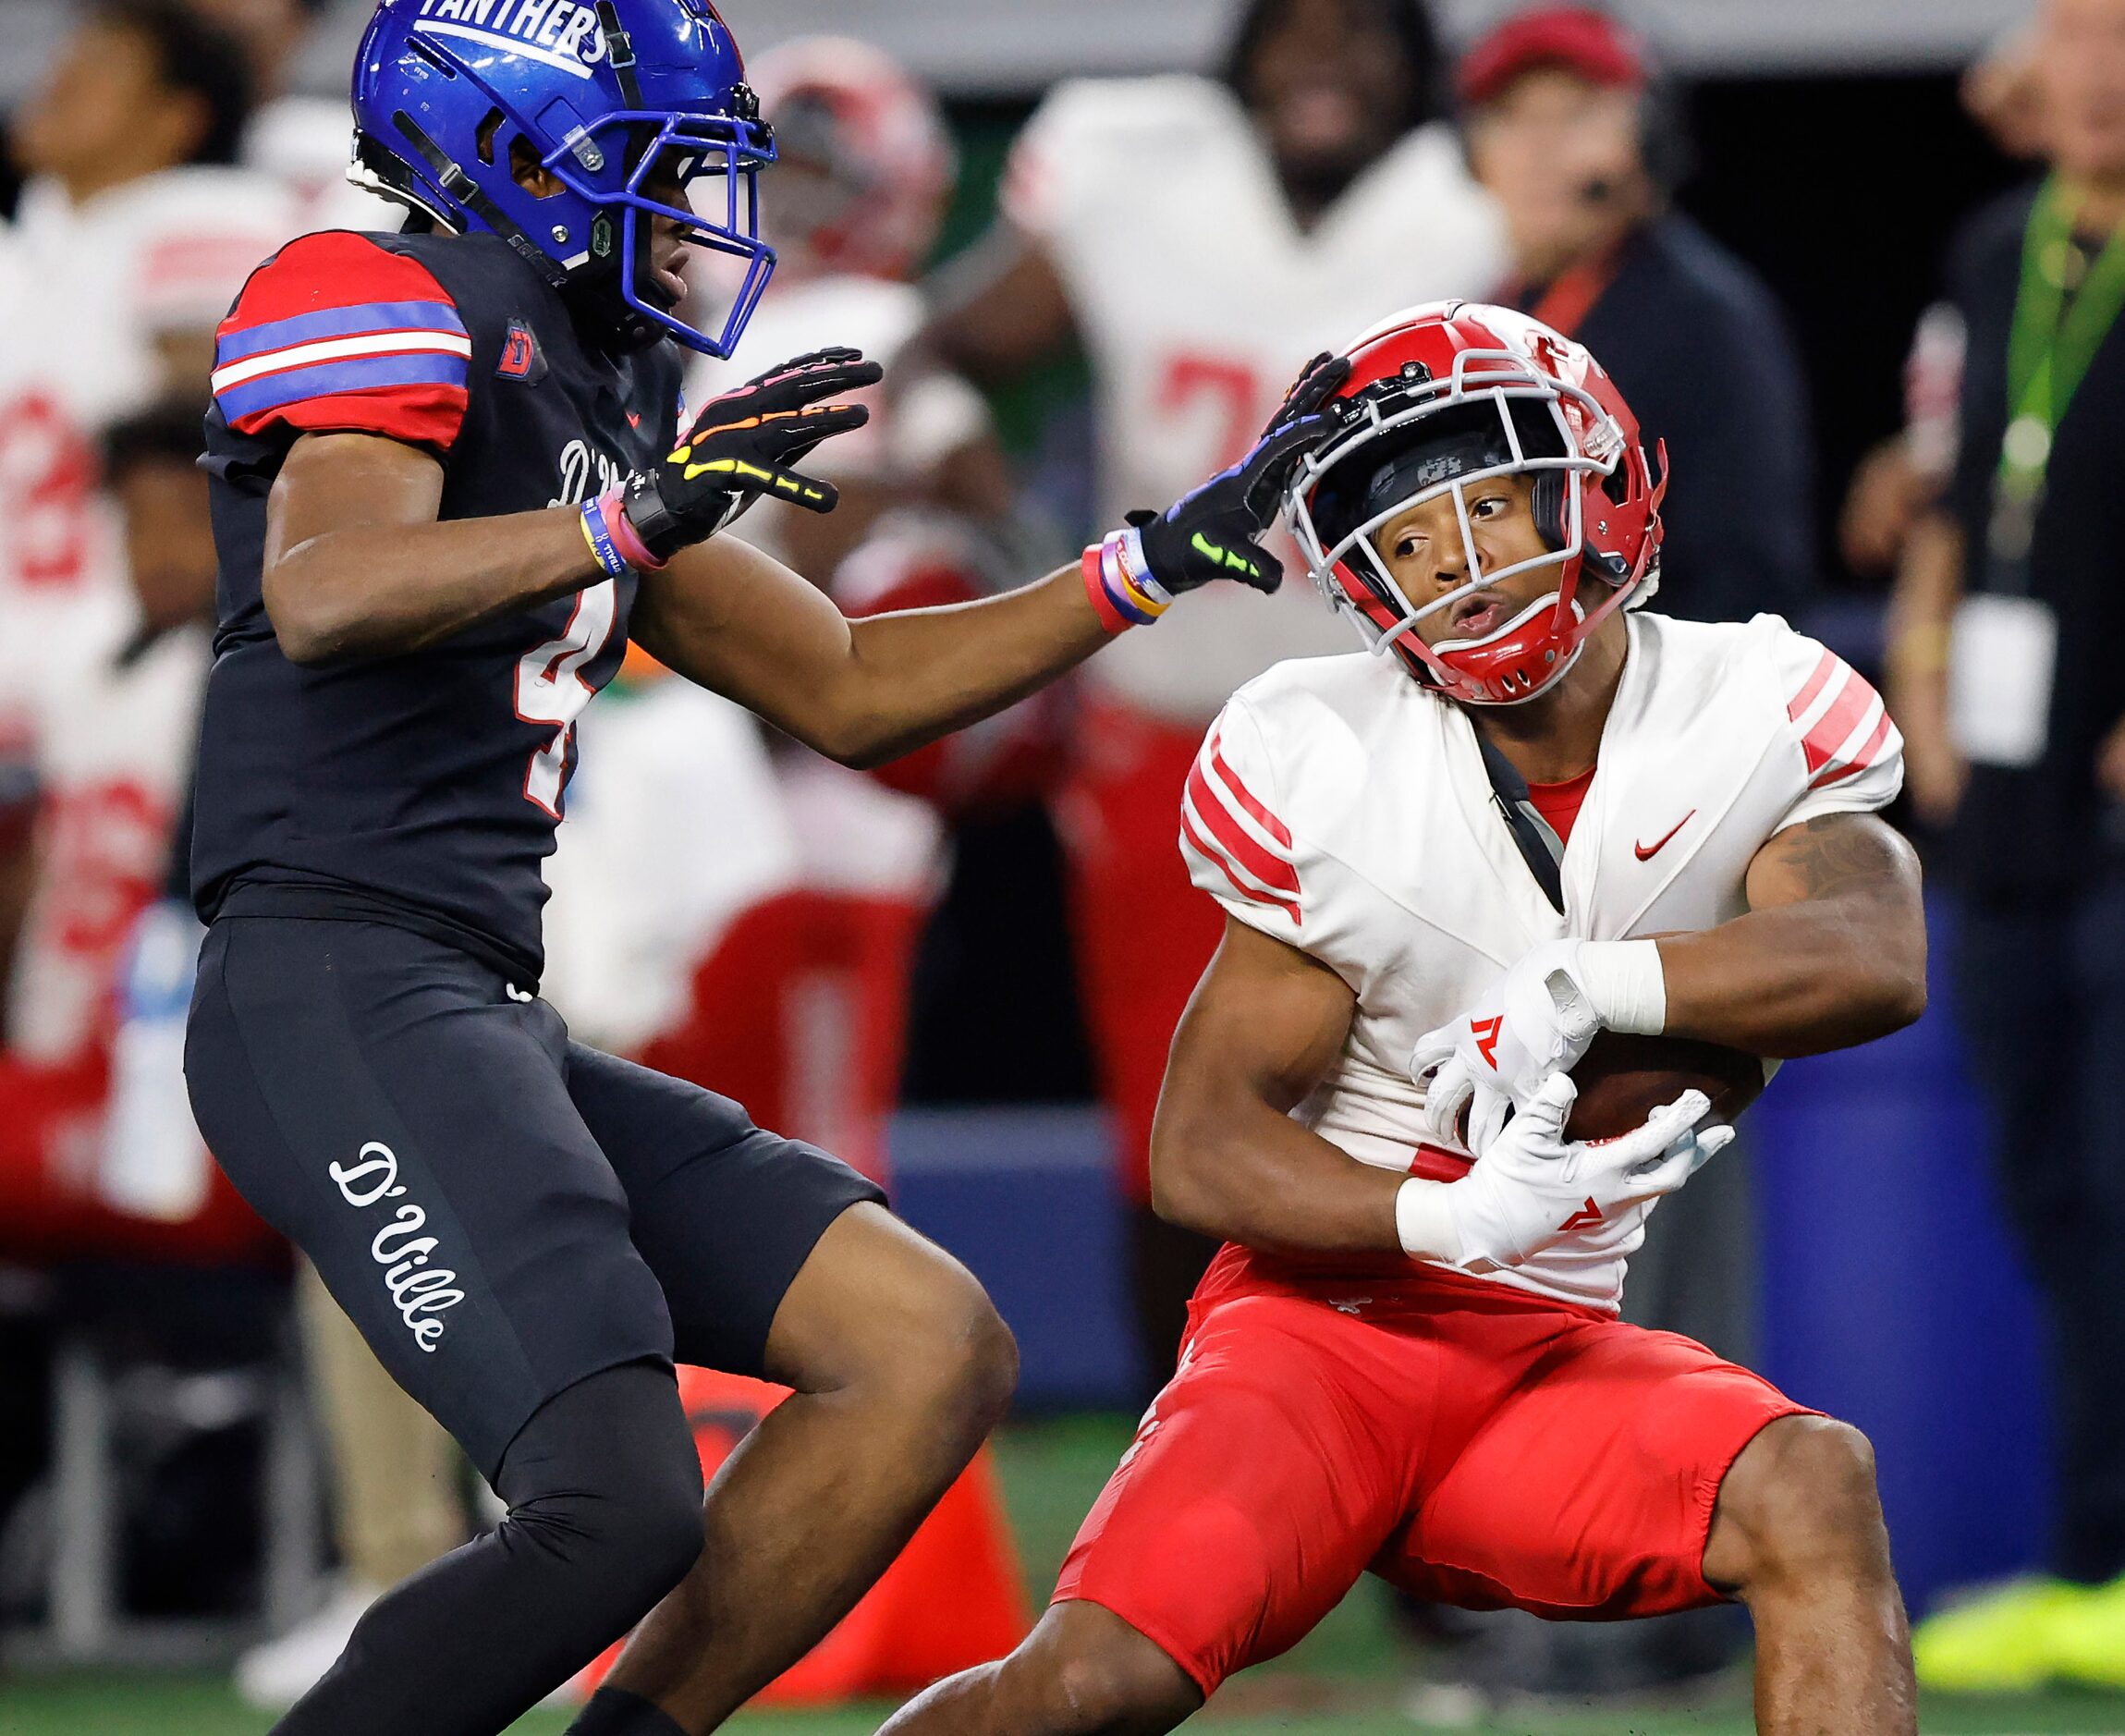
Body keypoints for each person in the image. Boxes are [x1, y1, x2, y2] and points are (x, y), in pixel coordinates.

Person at [178, 5, 1348, 1734]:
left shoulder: (578, 381)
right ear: (518, 152)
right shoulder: (374, 286)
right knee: (613, 1499)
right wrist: (624, 523)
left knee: (919, 1345)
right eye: (661, 170)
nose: (702, 216)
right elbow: (331, 587)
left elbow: (850, 685)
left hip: (467, 996)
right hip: (331, 973)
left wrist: (1154, 562)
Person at [873, 301, 1923, 1736]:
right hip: (1323, 1335)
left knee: (1811, 1483)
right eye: (1405, 541)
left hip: (1546, 1345)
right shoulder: (1322, 754)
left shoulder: (1756, 696)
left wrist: (1588, 981)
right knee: (1088, 1683)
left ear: (1591, 480)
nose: (1455, 566)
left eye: (1486, 505)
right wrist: (1442, 1217)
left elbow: (1871, 951)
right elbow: (1197, 1151)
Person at [922, 0, 1504, 1388]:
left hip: (1410, 738)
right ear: (1239, 54)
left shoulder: (1475, 209)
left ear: (1413, 65)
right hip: (1170, 745)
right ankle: (1183, 1434)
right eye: (1295, 28)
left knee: (1436, 1108)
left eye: (1362, 33)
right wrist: (1003, 520)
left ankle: (1415, 1470)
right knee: (1172, 1122)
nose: (1325, 61)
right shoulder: (1136, 178)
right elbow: (942, 352)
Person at [1887, 0, 2125, 1692]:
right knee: (2044, 1184)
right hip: (2005, 801)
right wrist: (1915, 663)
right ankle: (2084, 1565)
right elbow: (1954, 492)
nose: (2101, 70)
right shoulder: (1994, 246)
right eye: (2071, 30)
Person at [1464, 5, 1814, 629]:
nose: (1538, 151)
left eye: (1575, 117)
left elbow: (1747, 583)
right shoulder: (1492, 314)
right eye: (1511, 119)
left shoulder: (1706, 322)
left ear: (1647, 141)